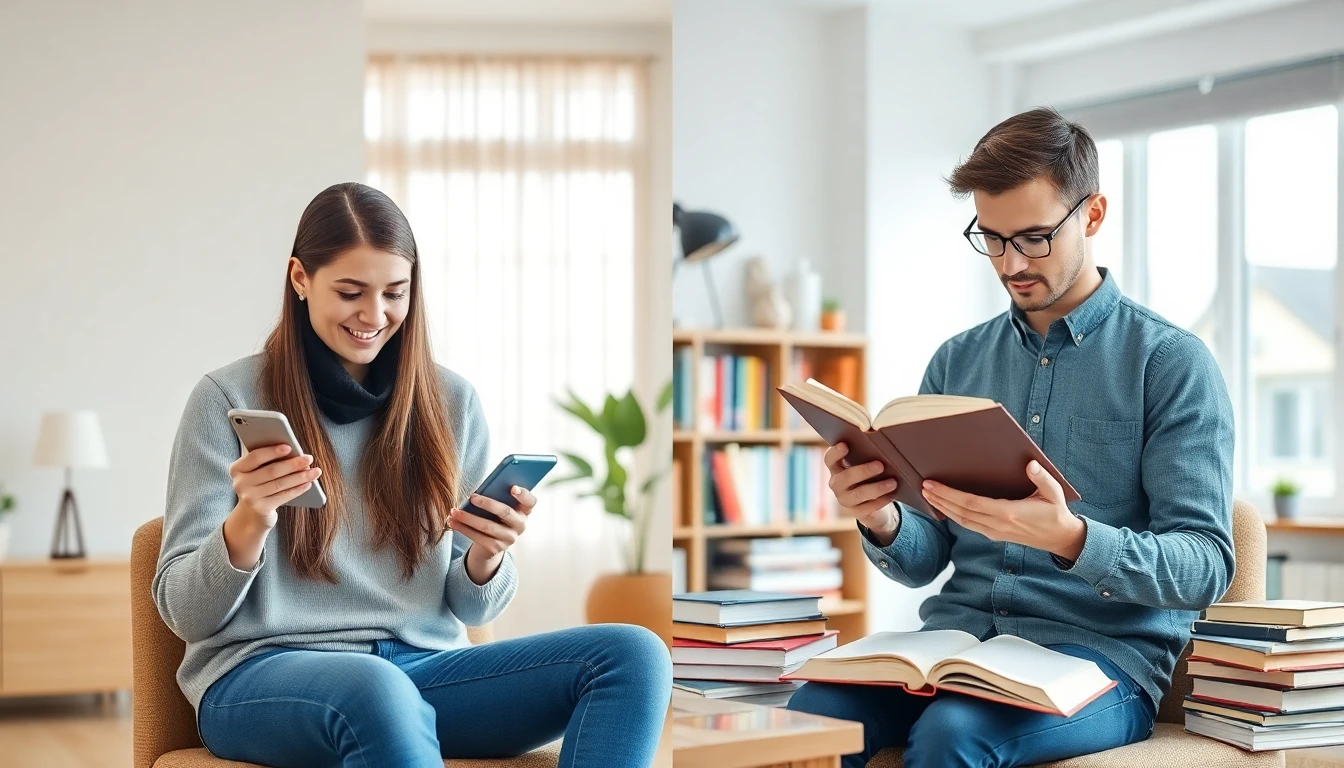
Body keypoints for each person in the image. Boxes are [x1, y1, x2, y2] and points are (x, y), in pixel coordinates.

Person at [153, 182, 670, 768]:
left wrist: (485, 557)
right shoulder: (227, 398)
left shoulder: (451, 402)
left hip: (424, 669)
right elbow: (183, 611)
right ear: (300, 278)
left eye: (394, 293)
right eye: (350, 292)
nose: (374, 316)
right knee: (377, 690)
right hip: (264, 677)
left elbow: (474, 610)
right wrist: (249, 522)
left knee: (634, 655)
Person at [786, 108, 1235, 767]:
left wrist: (1070, 539)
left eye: (1033, 237)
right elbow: (925, 556)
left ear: (1094, 215)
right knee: (809, 720)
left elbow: (1207, 566)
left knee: (951, 734)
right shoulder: (956, 362)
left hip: (1097, 659)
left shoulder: (1168, 362)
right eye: (990, 238)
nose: (1010, 262)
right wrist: (880, 518)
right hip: (957, 645)